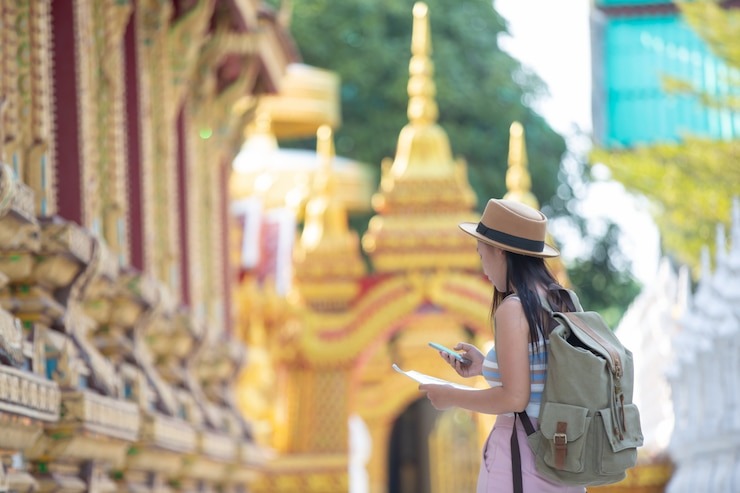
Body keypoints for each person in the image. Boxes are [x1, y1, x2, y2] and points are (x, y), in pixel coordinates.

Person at [419, 198, 586, 493]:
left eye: (481, 253)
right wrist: (487, 367)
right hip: (565, 455)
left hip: (522, 457)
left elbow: (514, 399)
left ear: (498, 250)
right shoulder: (565, 300)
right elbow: (546, 374)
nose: (482, 264)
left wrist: (451, 395)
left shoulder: (514, 307)